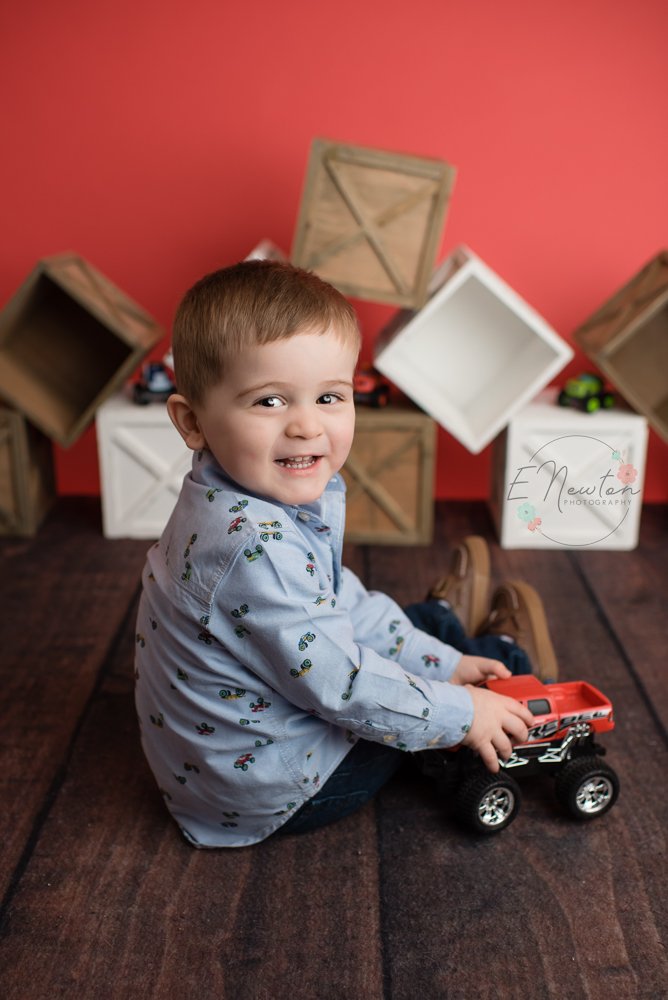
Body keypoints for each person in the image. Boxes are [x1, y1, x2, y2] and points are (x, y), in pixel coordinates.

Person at [134, 260, 554, 848]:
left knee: (394, 627)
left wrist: (441, 665)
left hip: (217, 766)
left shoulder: (224, 491)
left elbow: (330, 596)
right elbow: (347, 689)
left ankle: (448, 642)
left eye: (330, 396)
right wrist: (464, 710)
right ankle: (502, 658)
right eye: (270, 402)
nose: (308, 426)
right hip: (283, 789)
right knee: (420, 702)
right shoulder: (253, 546)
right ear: (192, 421)